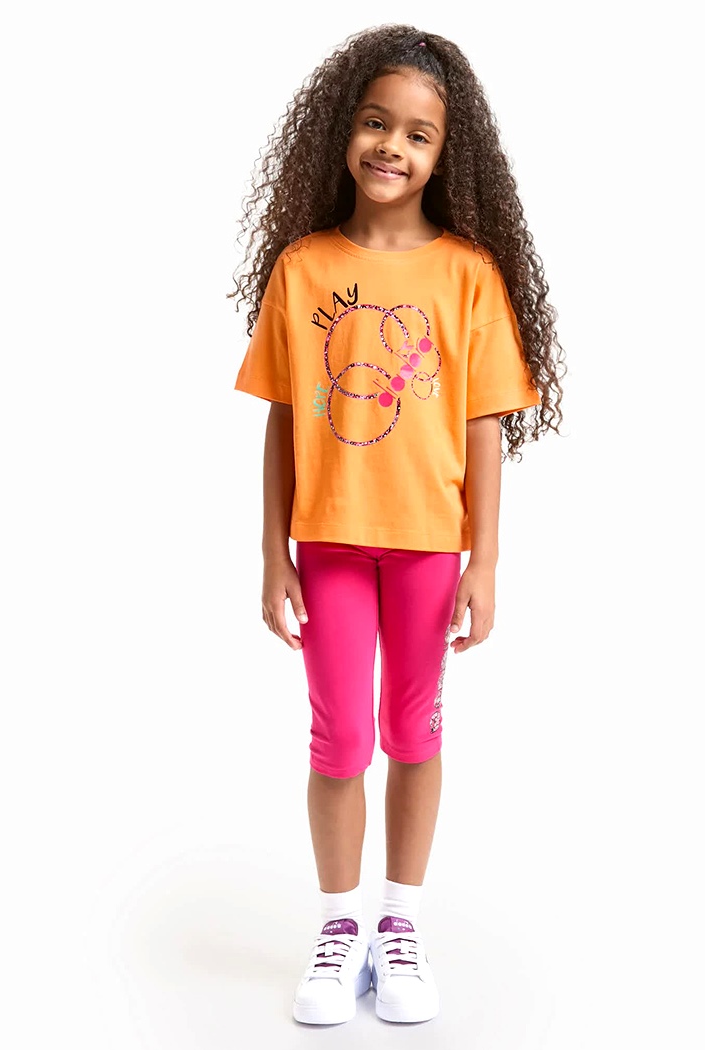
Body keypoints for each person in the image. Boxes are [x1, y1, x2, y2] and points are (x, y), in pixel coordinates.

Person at [230, 24, 565, 1025]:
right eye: (377, 123)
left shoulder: (468, 274)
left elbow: (484, 426)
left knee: (413, 731)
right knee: (339, 738)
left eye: (419, 134)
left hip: (429, 549)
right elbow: (284, 420)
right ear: (344, 129)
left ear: (445, 156)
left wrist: (485, 564)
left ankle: (400, 922)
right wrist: (272, 554)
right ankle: (340, 927)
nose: (393, 147)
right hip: (328, 544)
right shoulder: (301, 268)